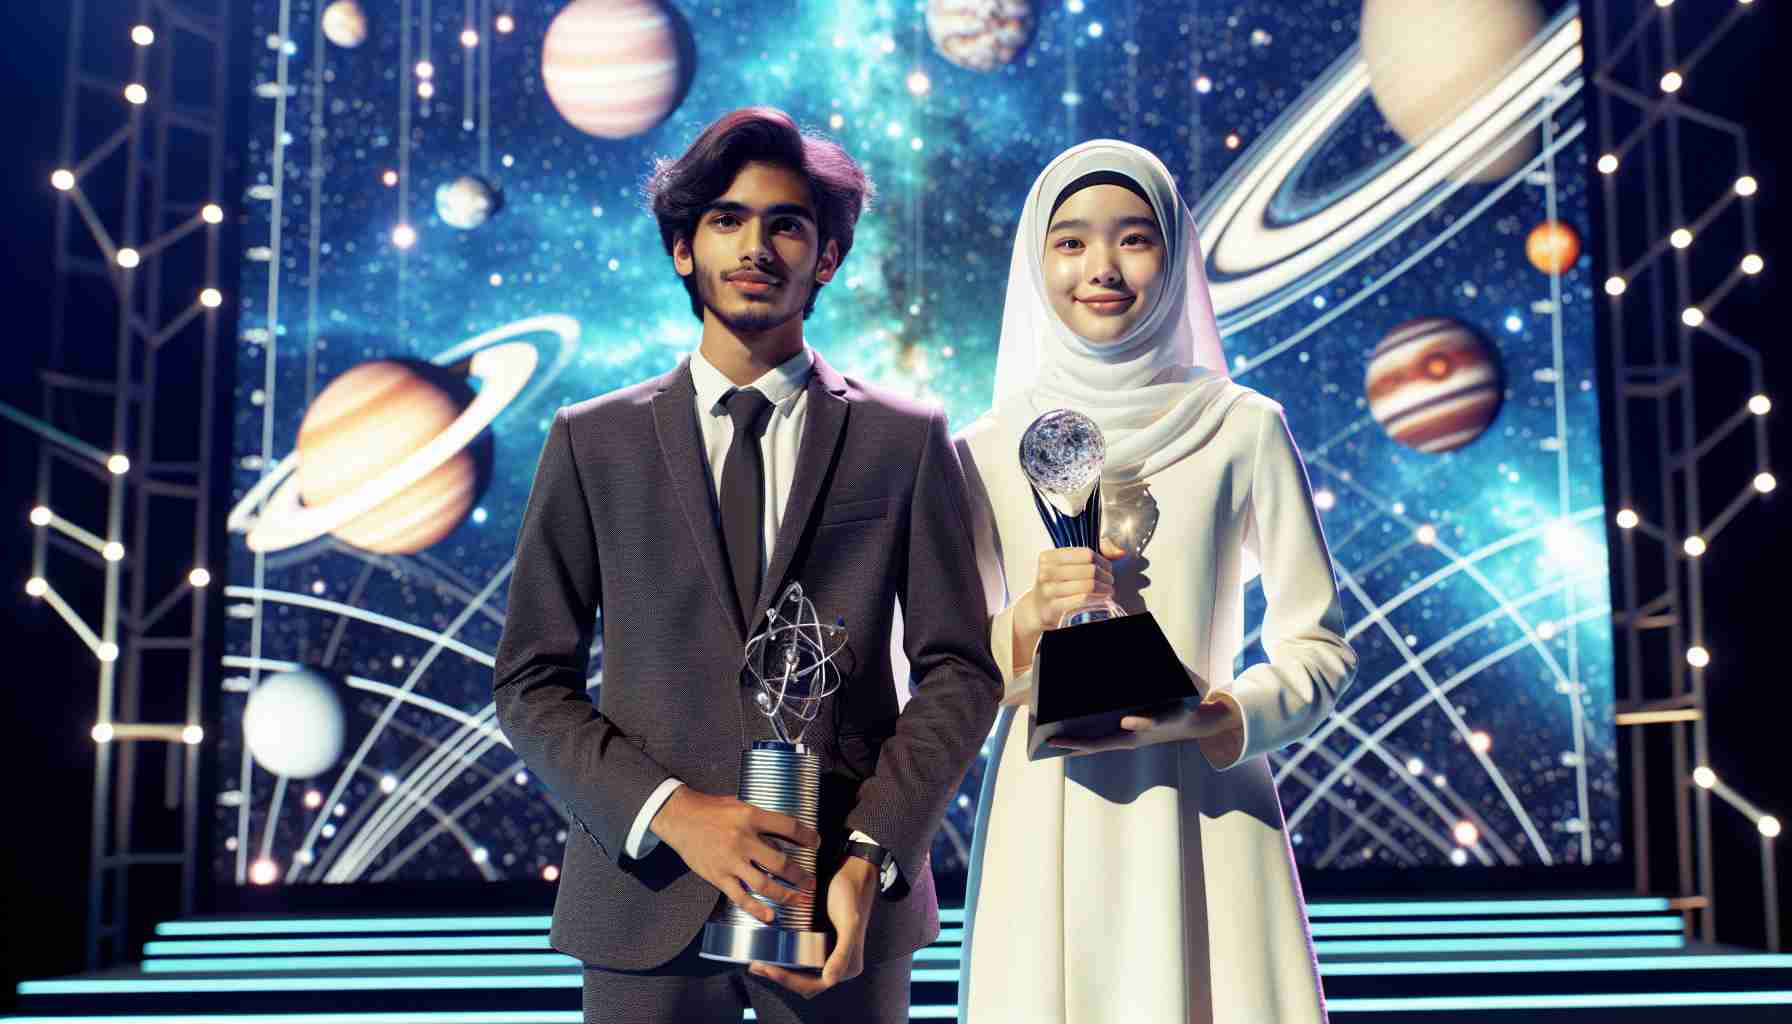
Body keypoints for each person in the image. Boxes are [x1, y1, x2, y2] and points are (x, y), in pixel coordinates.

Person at [493, 106, 1002, 1024]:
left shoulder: (904, 439)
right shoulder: (590, 442)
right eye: (726, 220)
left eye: (787, 223)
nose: (756, 245)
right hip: (643, 902)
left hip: (841, 906)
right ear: (684, 249)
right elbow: (530, 683)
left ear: (829, 258)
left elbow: (959, 673)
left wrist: (870, 856)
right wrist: (673, 812)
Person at [954, 139, 1357, 1023]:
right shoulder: (983, 449)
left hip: (1207, 808)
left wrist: (1214, 716)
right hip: (1046, 810)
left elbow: (1318, 644)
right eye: (1070, 242)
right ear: (1035, 259)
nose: (1101, 267)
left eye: (1134, 238)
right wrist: (1029, 614)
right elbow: (954, 664)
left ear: (1175, 257)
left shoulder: (1243, 427)